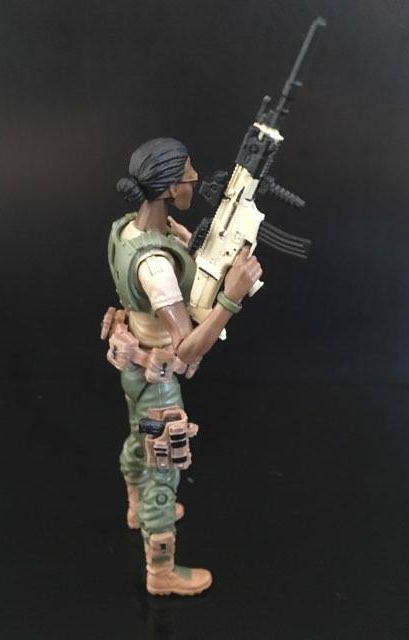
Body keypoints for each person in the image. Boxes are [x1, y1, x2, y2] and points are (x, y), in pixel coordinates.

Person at [105, 137, 262, 596]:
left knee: (139, 438)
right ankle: (161, 570)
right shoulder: (156, 265)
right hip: (156, 378)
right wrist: (231, 297)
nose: (196, 182)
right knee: (164, 466)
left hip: (133, 364)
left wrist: (186, 241)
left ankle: (135, 506)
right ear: (173, 188)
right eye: (190, 176)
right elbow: (188, 347)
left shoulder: (126, 230)